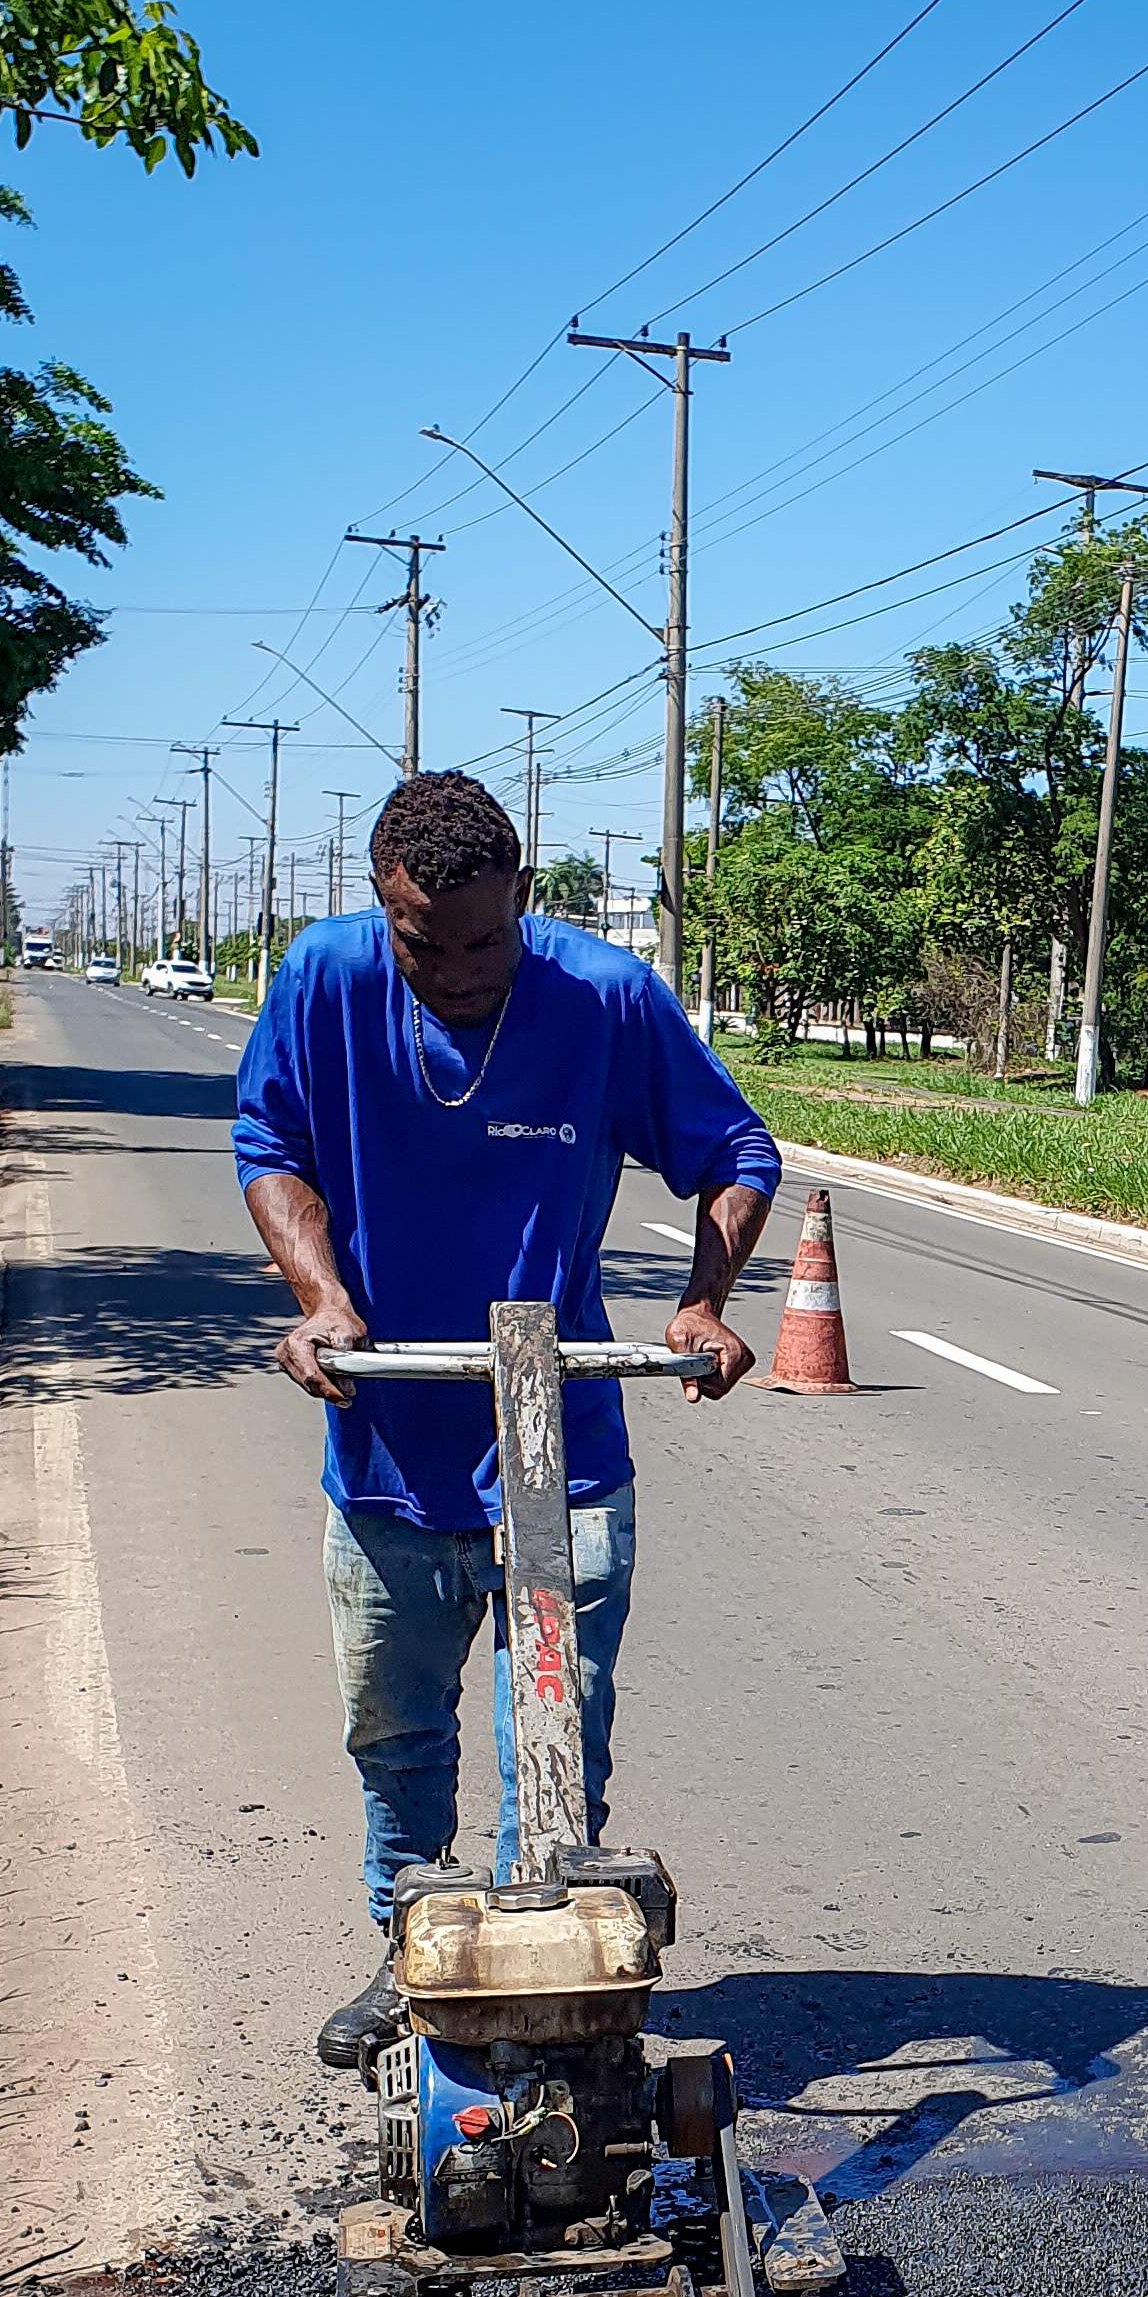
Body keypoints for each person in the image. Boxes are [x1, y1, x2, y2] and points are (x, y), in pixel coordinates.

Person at [232, 769, 779, 2068]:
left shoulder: (603, 998)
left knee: (558, 1737)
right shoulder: (324, 982)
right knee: (395, 1731)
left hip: (561, 1445)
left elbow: (735, 1155)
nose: (467, 969)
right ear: (383, 908)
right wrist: (321, 1299)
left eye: (491, 937)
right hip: (389, 1446)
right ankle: (412, 1952)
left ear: (525, 898)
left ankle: (549, 1976)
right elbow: (272, 1147)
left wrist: (702, 1305)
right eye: (430, 942)